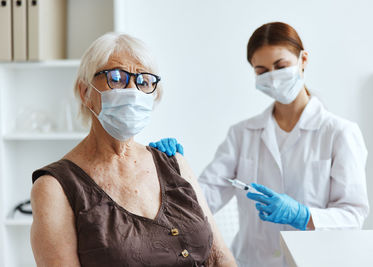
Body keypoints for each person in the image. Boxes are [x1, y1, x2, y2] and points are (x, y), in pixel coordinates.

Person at [150, 22, 369, 267]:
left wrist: (304, 215)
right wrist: (173, 172)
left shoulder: (339, 133)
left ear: (303, 59)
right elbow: (204, 198)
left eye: (281, 66)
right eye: (262, 71)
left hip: (315, 260)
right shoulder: (242, 134)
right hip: (253, 262)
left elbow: (353, 215)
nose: (272, 77)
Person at [30, 32, 236, 267]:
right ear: (85, 92)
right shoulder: (54, 187)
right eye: (116, 78)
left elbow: (220, 258)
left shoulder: (173, 162)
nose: (133, 91)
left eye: (144, 81)